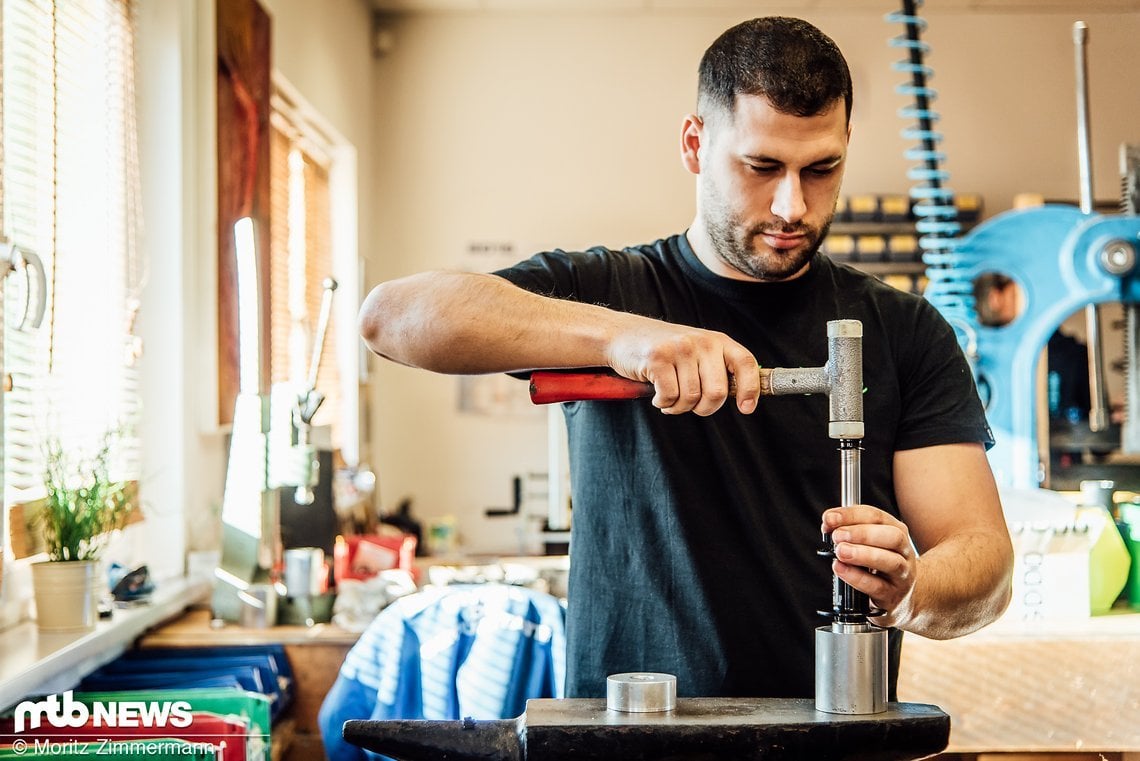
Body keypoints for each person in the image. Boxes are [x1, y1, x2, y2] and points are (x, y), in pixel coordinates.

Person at [358, 17, 1013, 701]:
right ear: (696, 144)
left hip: (829, 736)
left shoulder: (904, 329)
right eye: (761, 166)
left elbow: (984, 563)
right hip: (624, 737)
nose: (793, 204)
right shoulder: (605, 293)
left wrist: (911, 588)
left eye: (821, 168)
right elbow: (390, 318)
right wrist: (621, 339)